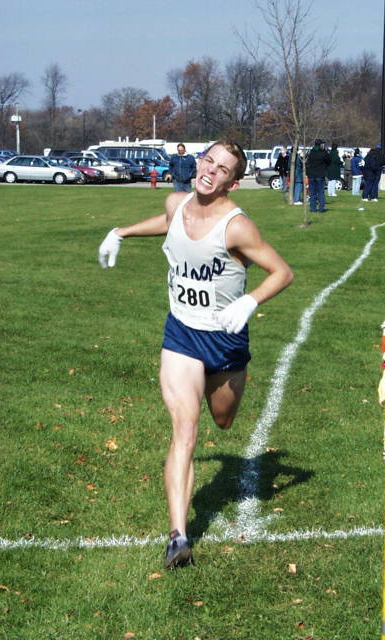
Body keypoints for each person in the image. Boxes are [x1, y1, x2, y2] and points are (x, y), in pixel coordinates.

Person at [98, 140, 294, 569]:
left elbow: (283, 271)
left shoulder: (236, 227)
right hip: (182, 335)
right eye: (208, 161)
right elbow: (168, 222)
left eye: (222, 169)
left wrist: (250, 301)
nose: (210, 171)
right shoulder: (176, 201)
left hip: (225, 342)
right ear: (198, 161)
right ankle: (178, 536)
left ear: (233, 181)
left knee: (222, 420)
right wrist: (122, 232)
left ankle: (219, 384)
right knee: (185, 429)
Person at [306, 139, 330, 212]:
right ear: (320, 145)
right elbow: (329, 160)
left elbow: (307, 163)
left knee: (312, 192)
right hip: (320, 174)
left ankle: (313, 208)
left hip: (311, 175)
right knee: (320, 192)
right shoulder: (323, 153)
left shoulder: (310, 152)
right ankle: (321, 208)